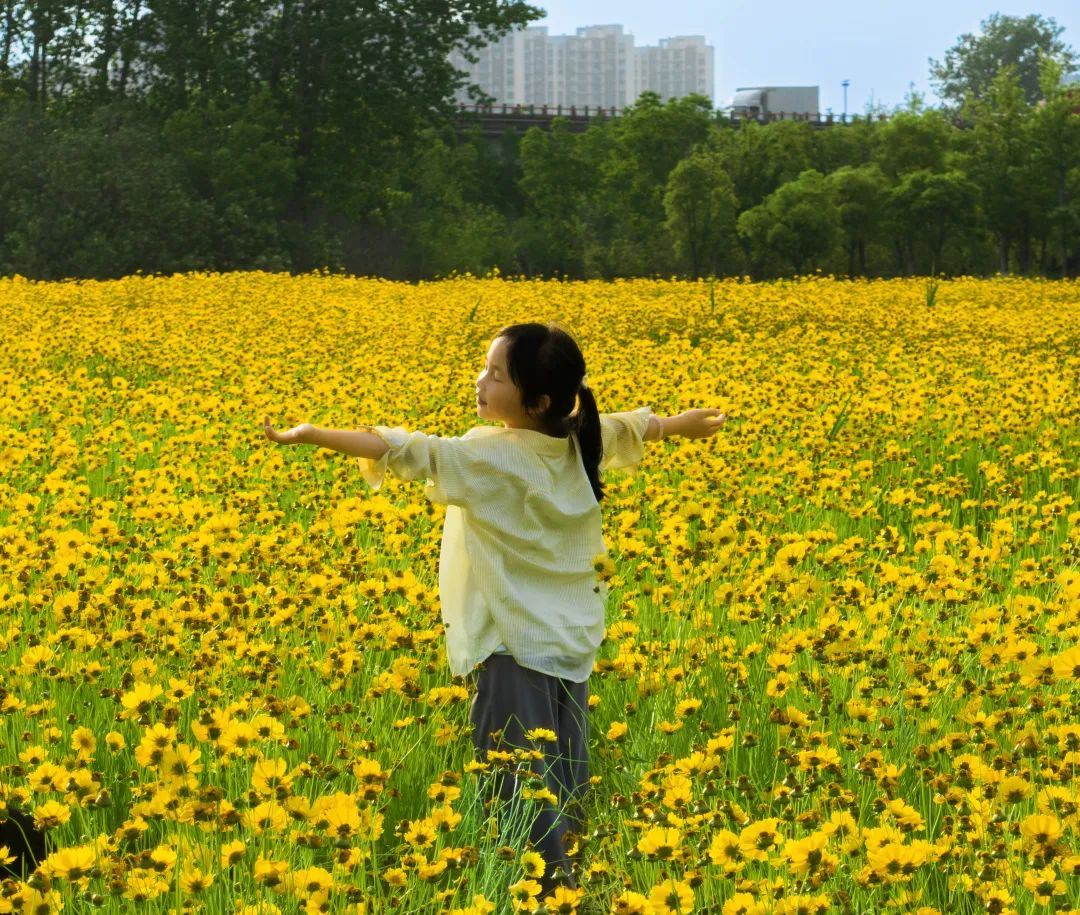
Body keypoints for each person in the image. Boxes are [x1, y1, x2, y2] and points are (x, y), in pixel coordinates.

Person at [263, 321, 725, 895]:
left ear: (536, 400)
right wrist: (677, 426)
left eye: (496, 374)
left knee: (517, 788)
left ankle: (546, 896)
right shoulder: (577, 439)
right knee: (563, 778)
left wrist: (311, 434)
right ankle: (574, 888)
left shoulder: (490, 458)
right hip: (569, 643)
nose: (480, 381)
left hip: (511, 647)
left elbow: (405, 448)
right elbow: (632, 427)